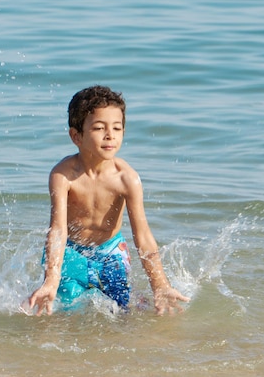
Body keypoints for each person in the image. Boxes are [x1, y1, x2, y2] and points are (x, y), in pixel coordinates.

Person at [22, 85, 190, 316]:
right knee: (65, 311)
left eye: (117, 128)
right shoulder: (63, 175)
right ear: (76, 136)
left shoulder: (126, 179)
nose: (110, 135)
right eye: (100, 128)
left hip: (110, 251)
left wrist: (160, 285)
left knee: (122, 312)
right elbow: (58, 230)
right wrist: (51, 279)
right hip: (71, 252)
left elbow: (142, 236)